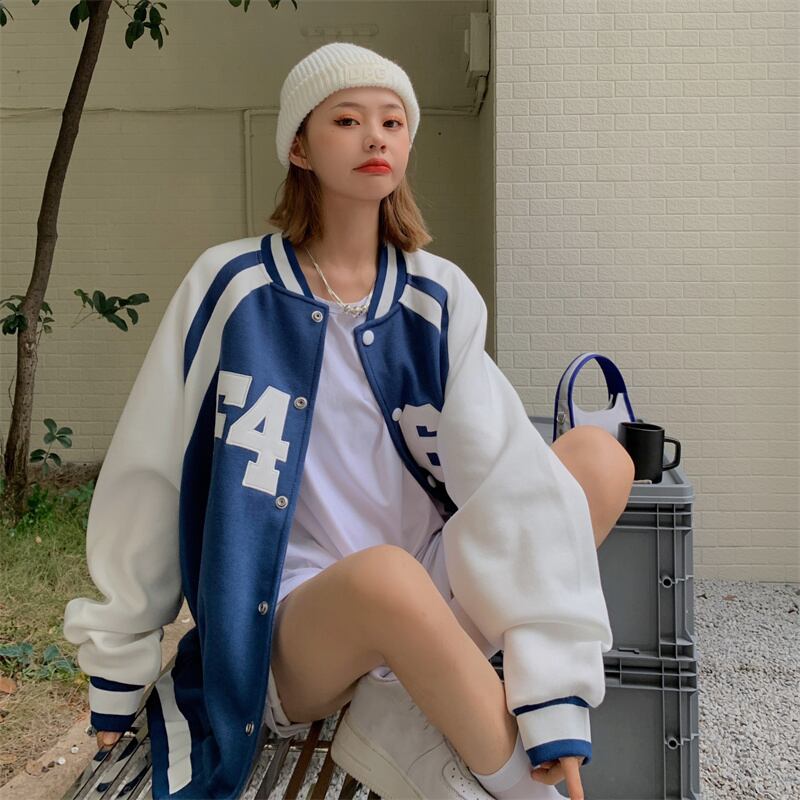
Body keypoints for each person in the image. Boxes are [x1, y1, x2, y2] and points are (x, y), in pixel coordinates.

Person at [63, 43, 634, 800]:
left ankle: (399, 702)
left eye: (393, 122)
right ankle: (525, 791)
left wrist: (554, 690)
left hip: (427, 583)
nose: (375, 138)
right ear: (299, 147)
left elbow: (509, 481)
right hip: (295, 625)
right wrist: (117, 667)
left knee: (597, 458)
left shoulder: (437, 295)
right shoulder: (230, 288)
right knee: (386, 580)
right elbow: (149, 473)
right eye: (347, 120)